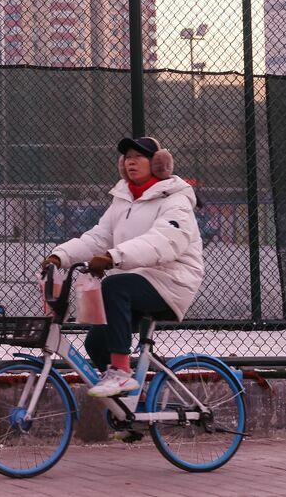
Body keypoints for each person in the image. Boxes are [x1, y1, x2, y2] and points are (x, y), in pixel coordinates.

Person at [42, 136, 204, 398]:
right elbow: (98, 237)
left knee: (114, 286)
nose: (131, 161)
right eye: (127, 157)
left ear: (159, 163)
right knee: (96, 343)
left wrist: (113, 256)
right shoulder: (123, 199)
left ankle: (121, 372)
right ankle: (132, 408)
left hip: (172, 280)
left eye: (139, 156)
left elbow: (162, 242)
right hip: (135, 279)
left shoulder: (176, 201)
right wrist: (61, 256)